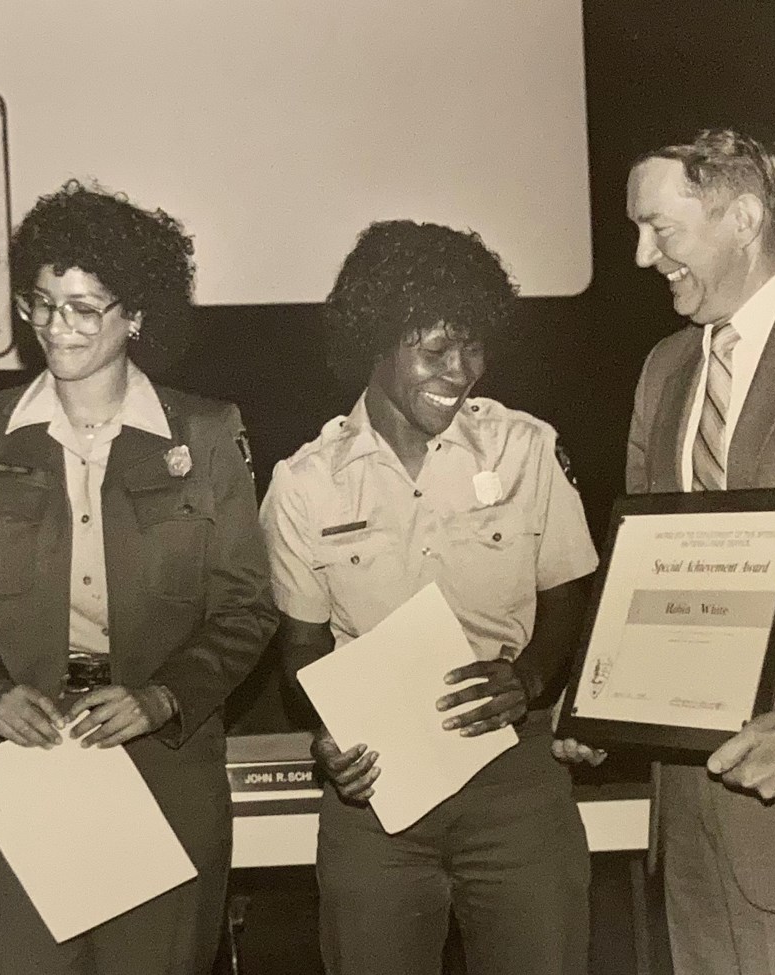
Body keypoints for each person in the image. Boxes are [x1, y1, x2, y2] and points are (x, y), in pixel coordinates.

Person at [0, 179, 276, 975]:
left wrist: (162, 696)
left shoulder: (207, 432)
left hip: (162, 766)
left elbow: (248, 607)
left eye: (84, 307)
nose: (56, 327)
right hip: (24, 759)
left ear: (136, 314)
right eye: (41, 304)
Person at [260, 220, 598, 975]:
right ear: (376, 342)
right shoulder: (304, 482)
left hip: (516, 783)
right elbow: (303, 648)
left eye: (472, 346)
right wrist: (330, 735)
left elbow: (569, 589)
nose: (460, 370)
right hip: (375, 800)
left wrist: (532, 677)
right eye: (434, 349)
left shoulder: (526, 448)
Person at [555, 129, 775, 974]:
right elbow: (644, 564)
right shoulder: (665, 370)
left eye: (659, 228)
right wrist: (603, 692)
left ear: (741, 217)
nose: (639, 254)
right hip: (694, 824)